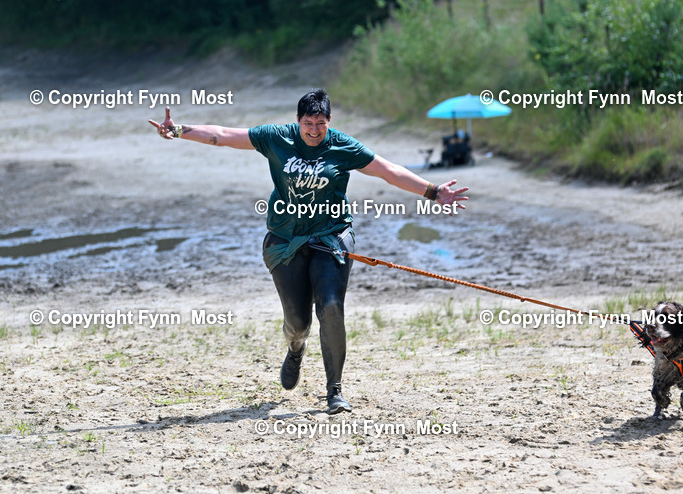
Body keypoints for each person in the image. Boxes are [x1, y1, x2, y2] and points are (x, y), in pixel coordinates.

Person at [150, 89, 469, 414]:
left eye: (320, 123)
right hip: (285, 240)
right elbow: (223, 136)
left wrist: (433, 191)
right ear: (297, 121)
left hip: (331, 238)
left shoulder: (342, 145)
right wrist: (178, 130)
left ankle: (335, 391)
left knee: (330, 307)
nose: (314, 130)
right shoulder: (277, 138)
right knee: (298, 321)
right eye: (308, 123)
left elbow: (388, 171)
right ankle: (296, 347)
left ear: (329, 121)